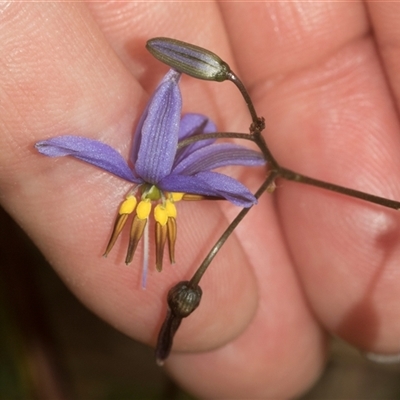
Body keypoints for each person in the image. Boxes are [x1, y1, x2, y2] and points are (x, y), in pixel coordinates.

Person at [1, 2, 400, 398]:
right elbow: (232, 174)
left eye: (150, 204)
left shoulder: (172, 166)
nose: (149, 207)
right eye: (152, 205)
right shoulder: (169, 167)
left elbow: (237, 175)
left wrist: (243, 165)